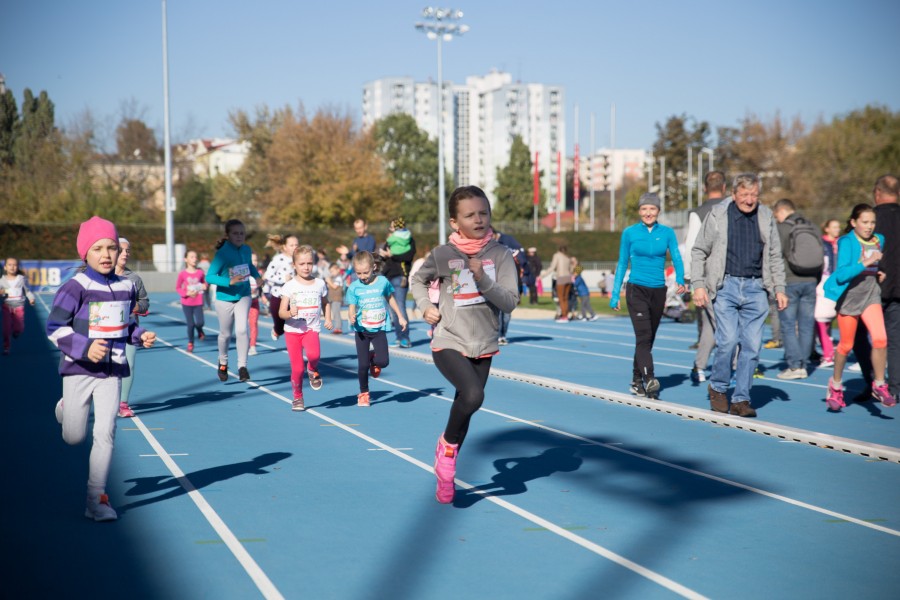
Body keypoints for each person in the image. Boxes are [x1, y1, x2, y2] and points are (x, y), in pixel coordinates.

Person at [410, 185, 519, 504]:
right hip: (448, 338)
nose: (479, 219)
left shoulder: (501, 255)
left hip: (483, 342)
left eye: (483, 213)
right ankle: (446, 446)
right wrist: (424, 306)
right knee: (473, 395)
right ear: (455, 222)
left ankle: (447, 463)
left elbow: (510, 302)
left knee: (467, 405)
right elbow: (418, 280)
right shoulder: (444, 254)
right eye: (470, 215)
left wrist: (483, 279)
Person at [47, 216, 156, 521]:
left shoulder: (126, 286)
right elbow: (54, 327)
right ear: (85, 253)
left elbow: (124, 326)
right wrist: (84, 348)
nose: (106, 254)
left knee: (106, 433)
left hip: (112, 371)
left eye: (111, 247)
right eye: (98, 248)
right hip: (79, 369)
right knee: (73, 437)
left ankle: (96, 500)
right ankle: (65, 406)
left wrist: (139, 335)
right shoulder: (75, 287)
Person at [692, 173, 788, 417]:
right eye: (744, 195)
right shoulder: (718, 214)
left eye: (754, 195)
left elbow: (775, 255)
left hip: (756, 288)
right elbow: (699, 250)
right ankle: (718, 387)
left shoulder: (765, 216)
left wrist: (779, 288)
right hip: (726, 286)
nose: (749, 200)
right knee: (728, 341)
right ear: (733, 194)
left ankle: (741, 399)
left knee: (752, 347)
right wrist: (698, 284)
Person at [610, 193, 685, 399]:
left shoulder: (667, 233)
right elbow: (622, 262)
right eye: (644, 209)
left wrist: (680, 278)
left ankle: (636, 381)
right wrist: (615, 293)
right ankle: (650, 378)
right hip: (636, 289)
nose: (648, 213)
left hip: (658, 291)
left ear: (658, 211)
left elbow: (676, 257)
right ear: (639, 211)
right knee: (643, 336)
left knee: (648, 338)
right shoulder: (629, 233)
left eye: (652, 209)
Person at [823, 203, 894, 410]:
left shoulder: (879, 240)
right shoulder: (847, 241)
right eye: (865, 222)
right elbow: (842, 274)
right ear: (854, 222)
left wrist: (877, 271)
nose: (869, 226)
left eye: (872, 222)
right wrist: (867, 262)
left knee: (880, 339)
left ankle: (879, 384)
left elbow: (872, 265)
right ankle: (836, 385)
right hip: (850, 298)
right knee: (846, 345)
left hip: (871, 295)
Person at [346, 251, 407, 406]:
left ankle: (373, 358)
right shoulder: (354, 287)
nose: (362, 276)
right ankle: (364, 393)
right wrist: (351, 316)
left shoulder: (383, 282)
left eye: (365, 272)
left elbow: (390, 298)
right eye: (358, 273)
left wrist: (400, 316)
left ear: (373, 267)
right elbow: (351, 307)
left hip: (379, 328)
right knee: (362, 365)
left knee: (383, 362)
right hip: (362, 330)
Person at [206, 219, 261, 383]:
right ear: (228, 235)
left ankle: (242, 366)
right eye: (235, 233)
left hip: (243, 294)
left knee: (242, 330)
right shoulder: (222, 253)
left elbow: (249, 265)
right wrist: (228, 281)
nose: (239, 236)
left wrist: (257, 276)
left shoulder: (246, 249)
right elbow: (209, 276)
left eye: (242, 233)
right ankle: (223, 362)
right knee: (226, 334)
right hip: (225, 298)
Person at [684, 170, 727, 382]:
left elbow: (692, 247)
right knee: (726, 325)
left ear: (704, 188)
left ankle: (699, 365)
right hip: (727, 274)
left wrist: (689, 278)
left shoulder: (698, 213)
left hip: (707, 276)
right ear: (725, 188)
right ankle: (734, 367)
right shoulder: (732, 209)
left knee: (710, 323)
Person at [278, 245, 333, 411]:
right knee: (297, 368)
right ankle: (297, 397)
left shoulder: (320, 284)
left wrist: (328, 318)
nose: (306, 267)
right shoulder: (289, 286)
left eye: (309, 263)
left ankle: (312, 369)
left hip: (311, 328)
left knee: (314, 355)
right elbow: (281, 312)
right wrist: (290, 313)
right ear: (294, 265)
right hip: (293, 332)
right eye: (302, 264)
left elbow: (326, 303)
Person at [773, 199, 821, 380]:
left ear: (781, 211)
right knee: (806, 325)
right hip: (811, 280)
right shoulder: (812, 226)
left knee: (787, 324)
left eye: (776, 215)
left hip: (790, 281)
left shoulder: (782, 228)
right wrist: (815, 279)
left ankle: (794, 365)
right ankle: (804, 364)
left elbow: (775, 255)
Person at [113, 237, 149, 419]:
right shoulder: (101, 276)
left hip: (129, 328)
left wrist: (136, 306)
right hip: (104, 330)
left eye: (128, 250)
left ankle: (123, 403)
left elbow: (145, 302)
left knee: (129, 364)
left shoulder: (134, 278)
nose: (125, 254)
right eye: (122, 250)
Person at [379, 221, 416, 348]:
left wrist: (392, 255)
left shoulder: (409, 239)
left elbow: (409, 256)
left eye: (392, 226)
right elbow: (383, 257)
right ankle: (399, 337)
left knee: (400, 306)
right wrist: (383, 255)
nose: (391, 228)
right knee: (393, 309)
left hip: (400, 276)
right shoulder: (390, 240)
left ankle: (405, 338)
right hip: (389, 276)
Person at [814, 219, 842, 368]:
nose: (837, 229)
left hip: (840, 283)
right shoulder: (822, 244)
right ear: (827, 229)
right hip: (825, 283)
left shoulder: (842, 243)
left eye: (838, 227)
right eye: (834, 227)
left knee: (830, 319)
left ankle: (829, 353)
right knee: (821, 318)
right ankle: (828, 352)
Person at [493, 229, 528, 344]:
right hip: (498, 290)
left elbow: (518, 279)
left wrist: (519, 292)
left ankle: (503, 335)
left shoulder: (515, 263)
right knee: (498, 314)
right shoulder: (496, 263)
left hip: (510, 292)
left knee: (507, 316)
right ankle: (498, 336)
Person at [263, 234, 299, 342]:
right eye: (291, 245)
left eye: (296, 245)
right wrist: (283, 279)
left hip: (294, 296)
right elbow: (268, 275)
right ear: (284, 247)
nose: (295, 247)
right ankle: (277, 330)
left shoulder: (299, 259)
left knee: (295, 323)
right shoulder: (278, 259)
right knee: (280, 324)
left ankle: (296, 345)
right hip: (278, 295)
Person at [1, 257, 36, 355]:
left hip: (19, 307)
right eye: (10, 265)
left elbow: (27, 291)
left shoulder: (21, 279)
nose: (12, 267)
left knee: (19, 328)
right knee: (6, 329)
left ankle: (16, 332)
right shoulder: (2, 281)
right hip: (7, 307)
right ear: (5, 267)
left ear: (17, 267)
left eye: (15, 265)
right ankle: (6, 347)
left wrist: (31, 298)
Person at [176, 249, 207, 353]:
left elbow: (205, 283)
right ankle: (190, 343)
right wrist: (186, 293)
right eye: (192, 257)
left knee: (200, 322)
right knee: (190, 324)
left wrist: (205, 285)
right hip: (187, 302)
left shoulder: (200, 272)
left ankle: (200, 330)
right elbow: (178, 287)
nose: (195, 259)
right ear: (186, 259)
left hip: (198, 302)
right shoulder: (182, 274)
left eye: (195, 257)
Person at [543, 245, 574, 322]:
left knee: (561, 298)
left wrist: (542, 276)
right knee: (566, 298)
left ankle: (564, 316)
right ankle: (566, 315)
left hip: (561, 277)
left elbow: (552, 267)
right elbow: (572, 269)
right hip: (568, 278)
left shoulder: (556, 255)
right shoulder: (568, 257)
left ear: (559, 250)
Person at [248, 253, 262, 355]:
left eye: (256, 260)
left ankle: (252, 346)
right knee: (241, 327)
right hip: (243, 303)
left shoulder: (259, 273)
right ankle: (243, 344)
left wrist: (263, 296)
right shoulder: (243, 273)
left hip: (254, 302)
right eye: (252, 260)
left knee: (253, 324)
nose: (254, 263)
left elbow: (263, 287)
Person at [326, 263, 345, 334]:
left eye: (332, 271)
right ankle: (337, 327)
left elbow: (334, 286)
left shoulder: (338, 278)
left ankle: (338, 328)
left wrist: (329, 281)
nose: (331, 273)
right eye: (330, 272)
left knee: (336, 313)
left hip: (337, 299)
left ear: (338, 270)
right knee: (334, 313)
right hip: (332, 298)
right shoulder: (334, 278)